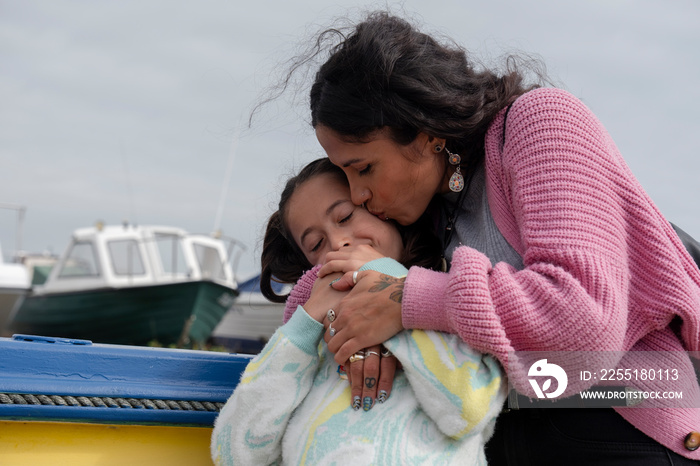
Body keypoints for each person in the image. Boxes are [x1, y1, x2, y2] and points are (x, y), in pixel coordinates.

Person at [285, 11, 700, 465]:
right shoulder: (423, 206)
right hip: (496, 443)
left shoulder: (540, 122)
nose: (358, 194)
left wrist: (404, 299)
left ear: (425, 133)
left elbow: (583, 326)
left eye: (363, 168)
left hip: (617, 429)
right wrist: (358, 334)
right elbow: (316, 294)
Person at [210, 158, 506, 465]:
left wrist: (387, 282)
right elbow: (235, 455)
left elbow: (470, 409)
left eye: (345, 217)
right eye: (316, 244)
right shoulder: (312, 343)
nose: (338, 243)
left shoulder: (447, 301)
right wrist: (303, 326)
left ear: (383, 209)